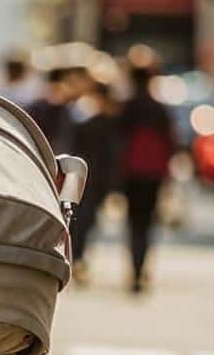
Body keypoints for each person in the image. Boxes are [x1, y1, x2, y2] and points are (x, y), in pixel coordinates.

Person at [118, 45, 177, 294]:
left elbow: (116, 142)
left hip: (130, 171)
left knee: (133, 223)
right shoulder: (160, 109)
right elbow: (171, 143)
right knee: (147, 222)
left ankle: (135, 268)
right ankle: (141, 269)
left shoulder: (125, 108)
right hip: (153, 172)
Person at [69, 76, 120, 282]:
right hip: (96, 178)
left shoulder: (82, 115)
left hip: (85, 176)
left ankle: (77, 258)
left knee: (82, 220)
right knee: (84, 221)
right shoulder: (105, 119)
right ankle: (77, 258)